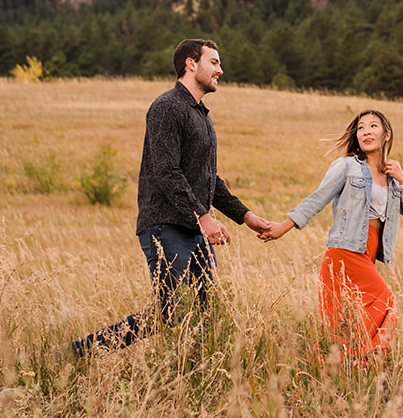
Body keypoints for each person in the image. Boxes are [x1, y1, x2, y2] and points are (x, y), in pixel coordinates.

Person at [71, 38, 272, 356]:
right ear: (191, 64)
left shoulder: (201, 115)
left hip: (193, 232)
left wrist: (246, 217)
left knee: (204, 314)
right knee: (171, 312)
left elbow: (209, 180)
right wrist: (202, 216)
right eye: (214, 62)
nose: (221, 69)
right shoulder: (167, 108)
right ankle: (83, 352)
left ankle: (195, 376)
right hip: (165, 226)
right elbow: (167, 172)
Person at [257, 108, 403, 360]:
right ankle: (371, 359)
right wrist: (283, 226)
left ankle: (343, 374)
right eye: (360, 128)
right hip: (346, 250)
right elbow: (317, 199)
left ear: (386, 134)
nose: (366, 131)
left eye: (373, 126)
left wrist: (402, 178)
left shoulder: (392, 179)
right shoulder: (347, 166)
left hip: (367, 254)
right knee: (385, 301)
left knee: (344, 324)